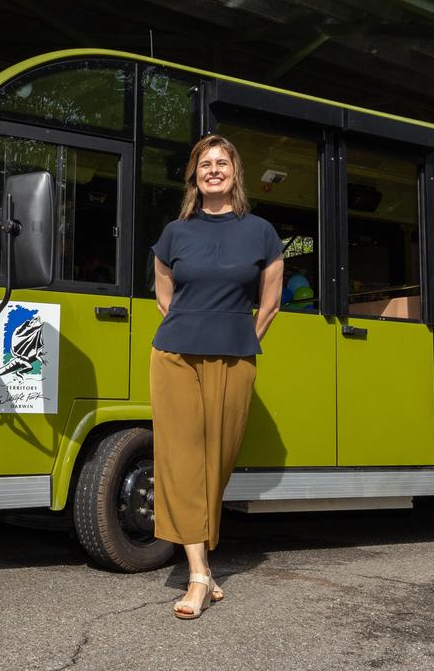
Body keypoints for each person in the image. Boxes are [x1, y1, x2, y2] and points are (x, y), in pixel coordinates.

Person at [150, 134, 284, 620]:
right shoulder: (175, 231)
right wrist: (183, 321)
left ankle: (201, 556)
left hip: (235, 355)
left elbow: (270, 300)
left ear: (234, 171)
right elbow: (163, 286)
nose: (213, 170)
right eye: (204, 164)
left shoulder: (262, 232)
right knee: (182, 459)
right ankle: (199, 574)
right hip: (175, 354)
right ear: (195, 174)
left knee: (218, 460)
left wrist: (243, 333)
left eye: (221, 163)